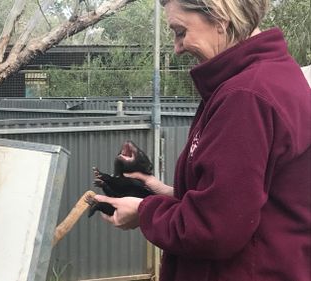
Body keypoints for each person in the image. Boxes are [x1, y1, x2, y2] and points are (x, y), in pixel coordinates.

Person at [94, 0, 311, 280]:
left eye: (180, 31)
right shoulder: (271, 77)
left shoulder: (246, 96)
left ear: (220, 17)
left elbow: (215, 228)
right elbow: (240, 198)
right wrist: (156, 188)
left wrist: (144, 212)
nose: (177, 47)